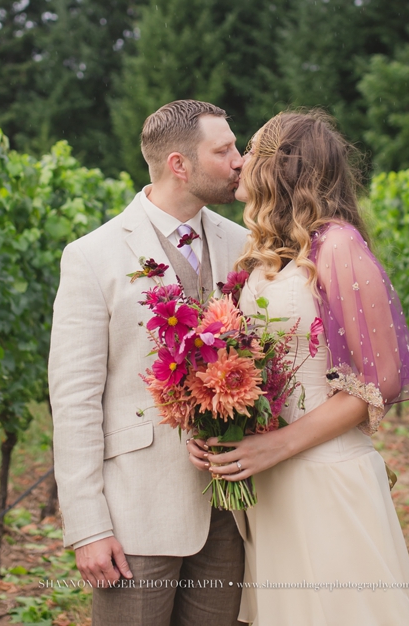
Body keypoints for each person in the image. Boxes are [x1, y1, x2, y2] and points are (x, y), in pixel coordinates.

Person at [187, 111, 409, 625]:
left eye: (251, 149)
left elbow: (381, 382)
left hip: (324, 474)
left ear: (281, 164)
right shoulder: (269, 252)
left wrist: (275, 445)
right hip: (273, 481)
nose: (241, 161)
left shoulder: (338, 244)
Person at [49, 100, 250, 625]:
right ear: (179, 164)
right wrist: (88, 526)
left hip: (232, 507)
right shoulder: (92, 256)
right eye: (224, 149)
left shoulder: (245, 244)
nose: (240, 160)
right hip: (136, 508)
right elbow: (73, 399)